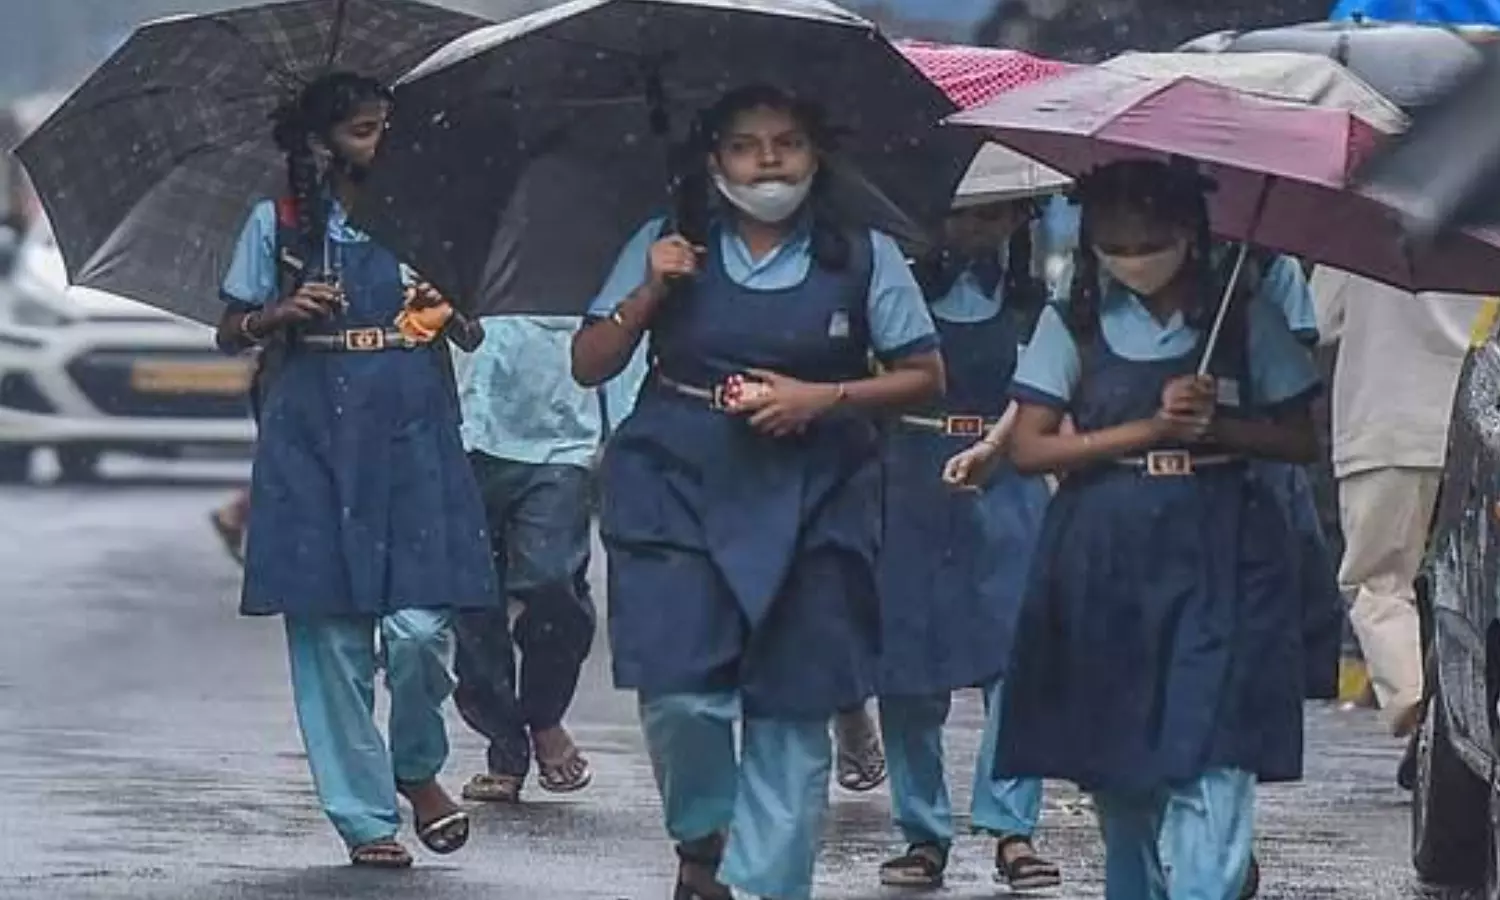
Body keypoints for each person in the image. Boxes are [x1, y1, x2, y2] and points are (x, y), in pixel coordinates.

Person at [571, 85, 944, 900]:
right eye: (745, 145)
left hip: (819, 488)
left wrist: (824, 399)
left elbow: (925, 375)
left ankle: (772, 885)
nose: (768, 160)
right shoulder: (667, 242)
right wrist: (650, 290)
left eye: (787, 142)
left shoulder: (864, 253)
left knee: (792, 705)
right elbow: (589, 363)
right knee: (682, 696)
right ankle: (703, 835)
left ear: (818, 155)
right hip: (675, 476)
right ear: (714, 161)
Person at [969, 158, 1320, 899]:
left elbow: (1300, 440)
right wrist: (1146, 429)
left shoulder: (1243, 313)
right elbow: (1031, 449)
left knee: (1215, 748)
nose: (1134, 255)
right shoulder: (1073, 324)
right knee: (1118, 758)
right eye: (1114, 241)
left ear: (1190, 232)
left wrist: (1217, 424)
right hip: (1105, 552)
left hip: (1224, 548)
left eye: (1149, 237)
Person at [213, 72, 497, 869]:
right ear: (322, 143)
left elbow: (471, 332)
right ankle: (365, 815)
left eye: (388, 128)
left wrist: (454, 305)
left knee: (419, 631)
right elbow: (230, 329)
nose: (382, 144)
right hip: (312, 439)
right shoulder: (280, 223)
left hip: (414, 431)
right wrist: (281, 312)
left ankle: (416, 763)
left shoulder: (431, 218)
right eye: (365, 130)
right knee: (329, 639)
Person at [874, 192, 1059, 891]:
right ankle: (922, 832)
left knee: (1015, 659)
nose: (979, 228)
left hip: (1007, 484)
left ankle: (1014, 828)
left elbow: (1049, 395)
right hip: (908, 479)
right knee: (907, 666)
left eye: (998, 214)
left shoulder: (1037, 304)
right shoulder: (889, 296)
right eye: (965, 213)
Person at [450, 316, 647, 803]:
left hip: (561, 440)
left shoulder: (585, 251)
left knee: (551, 582)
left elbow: (623, 333)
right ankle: (504, 744)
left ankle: (543, 712)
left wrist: (630, 430)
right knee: (473, 602)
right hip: (465, 433)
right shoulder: (459, 248)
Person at [1309, 266, 1488, 741]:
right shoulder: (1488, 212)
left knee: (1381, 582)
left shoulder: (1357, 221)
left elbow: (1319, 319)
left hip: (1388, 425)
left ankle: (1418, 709)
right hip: (1485, 425)